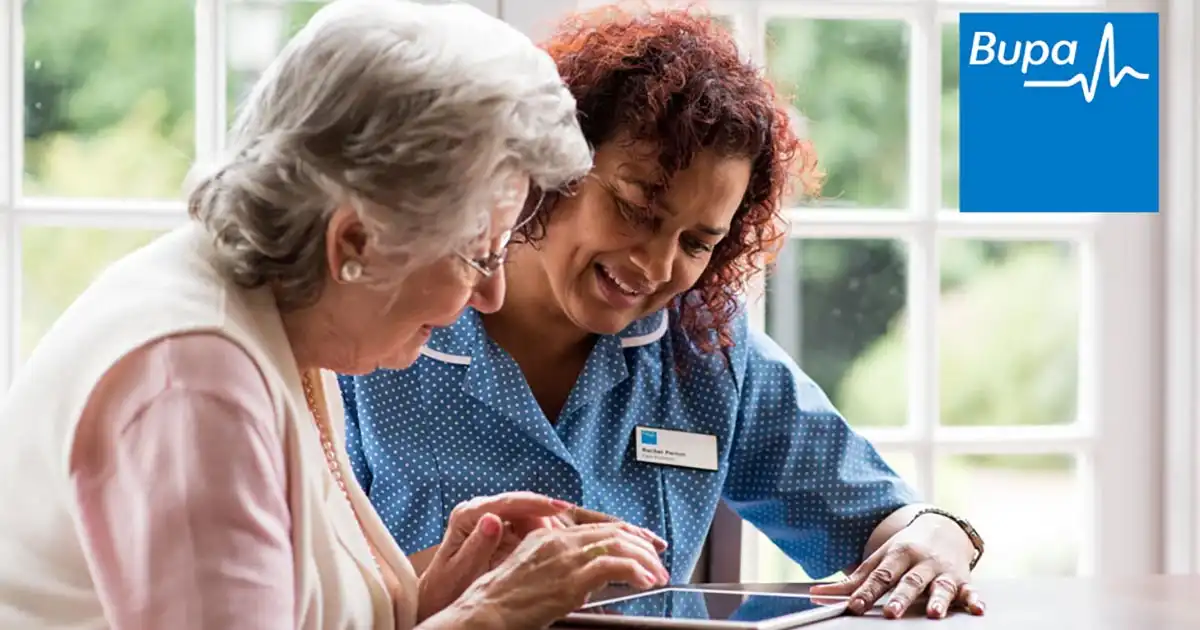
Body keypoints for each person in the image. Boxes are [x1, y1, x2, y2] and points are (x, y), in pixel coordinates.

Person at [0, 1, 673, 629]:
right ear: (354, 242)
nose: (490, 296)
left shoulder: (289, 324)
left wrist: (440, 590)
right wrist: (486, 615)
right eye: (475, 255)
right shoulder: (193, 382)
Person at [339, 4, 988, 622]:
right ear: (553, 167)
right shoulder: (385, 327)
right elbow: (300, 601)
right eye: (636, 209)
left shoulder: (707, 348)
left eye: (697, 242)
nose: (654, 265)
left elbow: (881, 517)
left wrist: (939, 537)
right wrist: (480, 583)